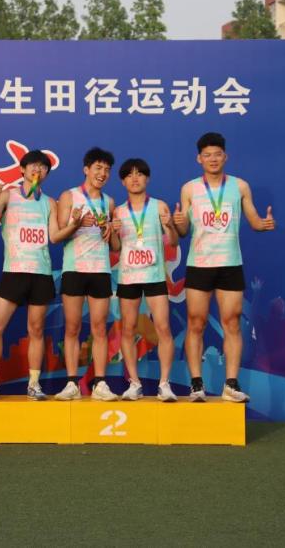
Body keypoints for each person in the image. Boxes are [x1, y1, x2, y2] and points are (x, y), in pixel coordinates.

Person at [173, 132, 274, 403]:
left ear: (225, 156)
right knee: (196, 323)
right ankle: (196, 385)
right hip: (199, 264)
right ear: (199, 159)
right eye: (207, 155)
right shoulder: (189, 189)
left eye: (217, 154)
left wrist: (263, 224)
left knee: (232, 323)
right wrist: (178, 222)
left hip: (230, 264)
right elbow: (183, 231)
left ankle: (230, 384)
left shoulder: (240, 186)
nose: (213, 159)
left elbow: (254, 221)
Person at [0, 150, 72, 400]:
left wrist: (74, 225)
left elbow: (54, 237)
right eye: (33, 165)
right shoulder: (9, 196)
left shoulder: (50, 203)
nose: (37, 170)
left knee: (36, 330)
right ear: (22, 169)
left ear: (46, 173)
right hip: (14, 271)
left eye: (43, 167)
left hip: (40, 273)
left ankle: (34, 384)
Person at [111, 158, 179, 402]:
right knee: (128, 329)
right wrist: (112, 232)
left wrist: (170, 226)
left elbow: (174, 241)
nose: (135, 178)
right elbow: (115, 247)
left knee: (163, 328)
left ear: (147, 178)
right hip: (128, 277)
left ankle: (164, 384)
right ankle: (135, 383)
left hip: (154, 276)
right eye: (129, 175)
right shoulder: (118, 212)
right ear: (123, 181)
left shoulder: (159, 207)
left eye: (139, 174)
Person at [55, 147, 120, 401]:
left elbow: (115, 246)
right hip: (74, 268)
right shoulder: (69, 196)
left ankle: (100, 383)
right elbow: (58, 234)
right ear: (86, 169)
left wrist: (109, 231)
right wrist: (76, 224)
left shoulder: (109, 202)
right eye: (98, 168)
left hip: (100, 270)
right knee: (72, 327)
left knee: (99, 328)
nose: (102, 173)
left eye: (107, 170)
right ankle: (72, 383)